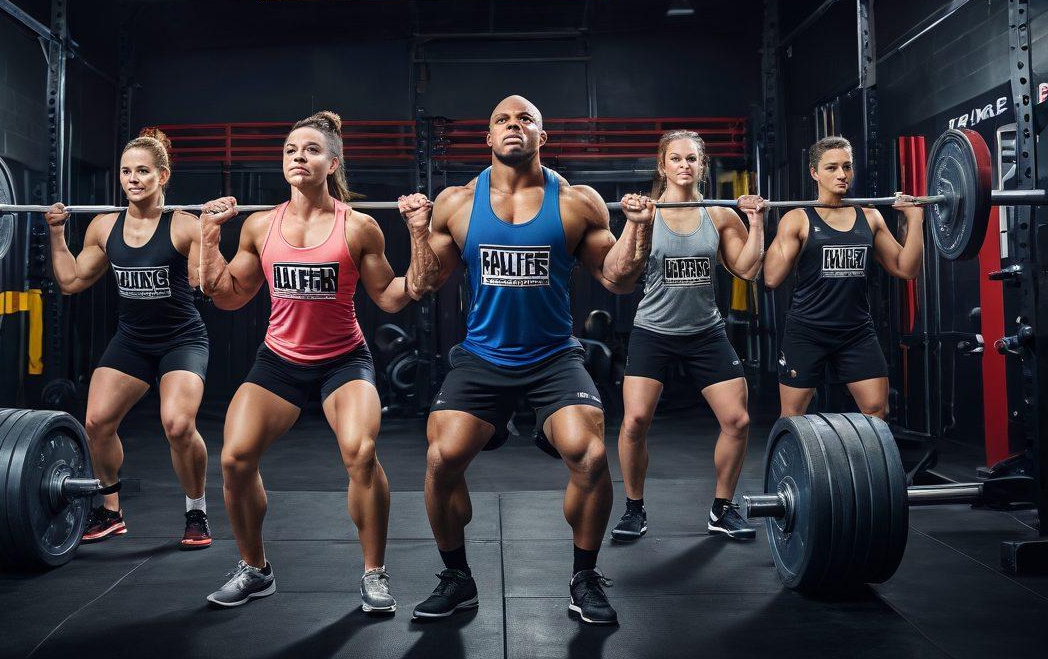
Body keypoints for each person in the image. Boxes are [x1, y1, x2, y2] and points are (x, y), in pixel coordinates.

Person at [405, 95, 650, 626]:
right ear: (488, 138)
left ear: (543, 137)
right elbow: (423, 283)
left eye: (525, 120)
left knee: (589, 456)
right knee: (441, 459)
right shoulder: (456, 203)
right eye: (502, 120)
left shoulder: (577, 203)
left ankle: (583, 575)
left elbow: (617, 278)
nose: (513, 126)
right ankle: (457, 577)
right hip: (482, 358)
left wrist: (640, 228)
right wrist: (417, 229)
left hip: (553, 358)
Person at [197, 111, 434, 614]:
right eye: (290, 150)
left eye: (309, 149)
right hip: (279, 361)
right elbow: (227, 297)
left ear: (333, 161)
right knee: (234, 459)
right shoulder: (261, 226)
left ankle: (374, 574)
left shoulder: (359, 227)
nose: (298, 157)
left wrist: (418, 232)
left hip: (343, 361)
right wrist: (208, 236)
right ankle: (255, 569)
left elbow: (392, 297)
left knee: (361, 453)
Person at [45, 128, 212, 550]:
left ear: (162, 175)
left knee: (177, 425)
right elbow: (71, 280)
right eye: (125, 171)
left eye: (142, 171)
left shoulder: (183, 226)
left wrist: (209, 235)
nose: (132, 179)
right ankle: (110, 510)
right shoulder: (104, 226)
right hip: (132, 341)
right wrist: (57, 233)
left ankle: (196, 511)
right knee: (97, 424)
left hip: (181, 340)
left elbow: (205, 284)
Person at [611, 130, 766, 546]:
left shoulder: (718, 214)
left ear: (702, 165)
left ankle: (722, 508)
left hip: (705, 333)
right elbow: (620, 273)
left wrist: (756, 221)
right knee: (635, 420)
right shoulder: (650, 213)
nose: (684, 166)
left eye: (692, 159)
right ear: (663, 166)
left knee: (738, 420)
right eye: (676, 159)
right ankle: (633, 507)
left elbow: (748, 270)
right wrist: (633, 222)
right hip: (653, 331)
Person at [763, 135, 923, 418]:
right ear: (815, 173)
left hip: (855, 331)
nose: (841, 174)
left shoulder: (870, 217)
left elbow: (906, 269)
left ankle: (868, 464)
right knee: (793, 414)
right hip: (807, 331)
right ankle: (789, 463)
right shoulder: (798, 218)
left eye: (847, 167)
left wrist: (914, 219)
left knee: (876, 409)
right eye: (831, 167)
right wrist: (758, 220)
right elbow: (772, 278)